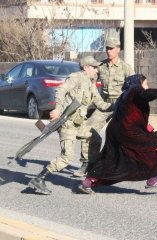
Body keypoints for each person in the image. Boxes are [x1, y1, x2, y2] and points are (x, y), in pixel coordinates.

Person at [28, 56, 114, 195]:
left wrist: (117, 105)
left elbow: (100, 104)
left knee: (95, 138)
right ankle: (39, 178)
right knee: (67, 157)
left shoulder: (91, 83)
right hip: (67, 124)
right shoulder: (76, 78)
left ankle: (89, 171)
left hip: (78, 124)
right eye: (94, 67)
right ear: (86, 68)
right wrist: (57, 109)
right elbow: (61, 91)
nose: (96, 70)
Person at [77, 74, 157, 194]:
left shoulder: (125, 94)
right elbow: (146, 94)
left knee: (112, 158)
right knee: (150, 149)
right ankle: (151, 179)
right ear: (138, 83)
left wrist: (144, 126)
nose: (147, 86)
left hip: (115, 130)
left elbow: (130, 114)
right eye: (145, 84)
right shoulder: (135, 89)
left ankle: (88, 182)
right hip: (127, 131)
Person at [74, 37, 135, 177]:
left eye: (111, 48)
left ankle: (128, 165)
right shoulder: (100, 66)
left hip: (120, 105)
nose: (108, 51)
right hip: (105, 104)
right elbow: (90, 82)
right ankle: (87, 163)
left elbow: (134, 87)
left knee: (126, 135)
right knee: (89, 129)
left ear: (118, 49)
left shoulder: (126, 68)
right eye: (107, 48)